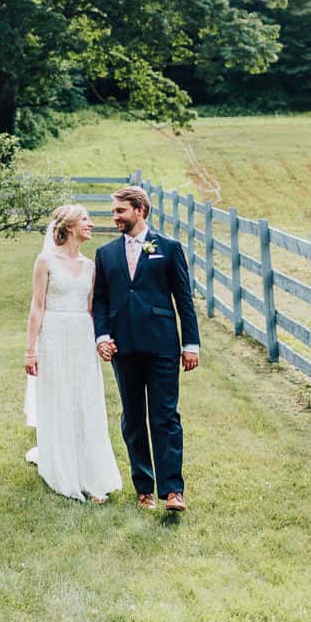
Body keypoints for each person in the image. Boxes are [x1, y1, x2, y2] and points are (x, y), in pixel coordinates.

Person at [92, 186, 200, 513]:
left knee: (165, 416)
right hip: (123, 347)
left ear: (140, 210)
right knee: (133, 418)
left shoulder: (168, 248)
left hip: (162, 345)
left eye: (120, 211)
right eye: (114, 211)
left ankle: (173, 490)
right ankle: (144, 488)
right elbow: (100, 300)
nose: (115, 217)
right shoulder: (105, 253)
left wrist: (190, 344)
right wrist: (102, 337)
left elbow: (184, 300)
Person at [22, 204, 122, 503]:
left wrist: (102, 339)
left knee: (85, 399)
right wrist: (30, 351)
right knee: (59, 398)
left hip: (82, 336)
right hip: (53, 335)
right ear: (69, 226)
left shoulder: (90, 266)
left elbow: (92, 309)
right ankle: (61, 467)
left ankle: (92, 475)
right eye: (85, 219)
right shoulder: (45, 261)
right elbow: (37, 306)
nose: (90, 224)